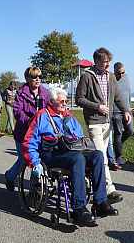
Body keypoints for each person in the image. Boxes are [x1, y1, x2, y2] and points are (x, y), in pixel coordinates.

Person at [23, 87, 118, 226]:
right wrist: (34, 162)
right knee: (77, 159)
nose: (65, 103)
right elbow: (29, 142)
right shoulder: (42, 116)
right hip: (51, 154)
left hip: (72, 151)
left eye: (66, 101)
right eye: (61, 101)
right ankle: (79, 208)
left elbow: (79, 138)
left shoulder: (70, 117)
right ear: (51, 101)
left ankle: (100, 203)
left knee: (97, 155)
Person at [75, 47, 132, 204]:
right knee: (102, 156)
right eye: (104, 62)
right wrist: (97, 106)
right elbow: (79, 99)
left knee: (101, 156)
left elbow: (118, 97)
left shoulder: (111, 77)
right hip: (94, 121)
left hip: (107, 122)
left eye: (109, 62)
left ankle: (87, 180)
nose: (107, 65)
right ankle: (108, 189)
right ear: (96, 61)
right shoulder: (87, 76)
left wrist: (125, 111)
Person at [4, 67, 48, 191]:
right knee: (23, 160)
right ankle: (10, 176)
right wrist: (31, 121)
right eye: (35, 77)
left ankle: (34, 187)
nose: (38, 79)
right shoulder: (21, 93)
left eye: (40, 76)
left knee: (36, 159)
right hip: (23, 133)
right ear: (28, 79)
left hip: (39, 134)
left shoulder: (45, 93)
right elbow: (17, 112)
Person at [111, 62, 134, 168]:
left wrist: (129, 108)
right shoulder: (111, 79)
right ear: (114, 71)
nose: (121, 75)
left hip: (127, 110)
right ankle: (119, 156)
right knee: (118, 133)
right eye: (118, 73)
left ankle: (117, 144)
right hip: (116, 111)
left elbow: (128, 94)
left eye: (122, 73)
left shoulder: (127, 78)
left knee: (130, 131)